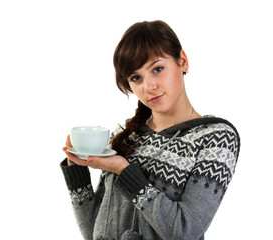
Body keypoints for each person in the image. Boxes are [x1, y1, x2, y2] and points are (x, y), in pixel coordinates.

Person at [61, 20, 240, 240]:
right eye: (136, 78)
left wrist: (125, 172)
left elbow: (185, 231)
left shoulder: (216, 137)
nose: (149, 87)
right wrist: (77, 172)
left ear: (182, 61)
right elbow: (94, 232)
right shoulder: (128, 136)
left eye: (157, 69)